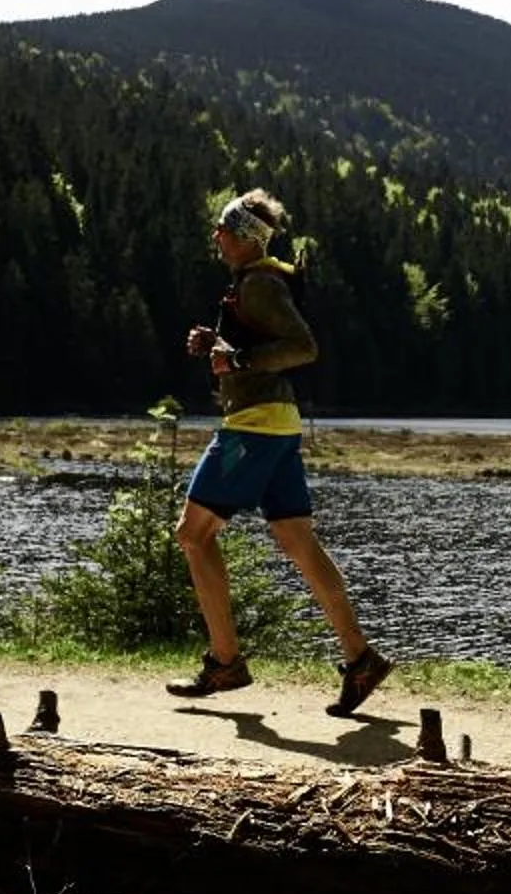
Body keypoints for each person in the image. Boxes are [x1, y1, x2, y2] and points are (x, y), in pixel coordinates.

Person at [164, 189, 394, 717]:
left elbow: (303, 346)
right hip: (278, 427)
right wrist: (219, 349)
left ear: (244, 238)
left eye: (222, 232)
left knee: (193, 535)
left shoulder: (261, 284)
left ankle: (226, 661)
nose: (215, 239)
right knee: (297, 541)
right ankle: (360, 660)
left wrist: (237, 358)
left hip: (252, 431)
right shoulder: (256, 282)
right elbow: (254, 351)